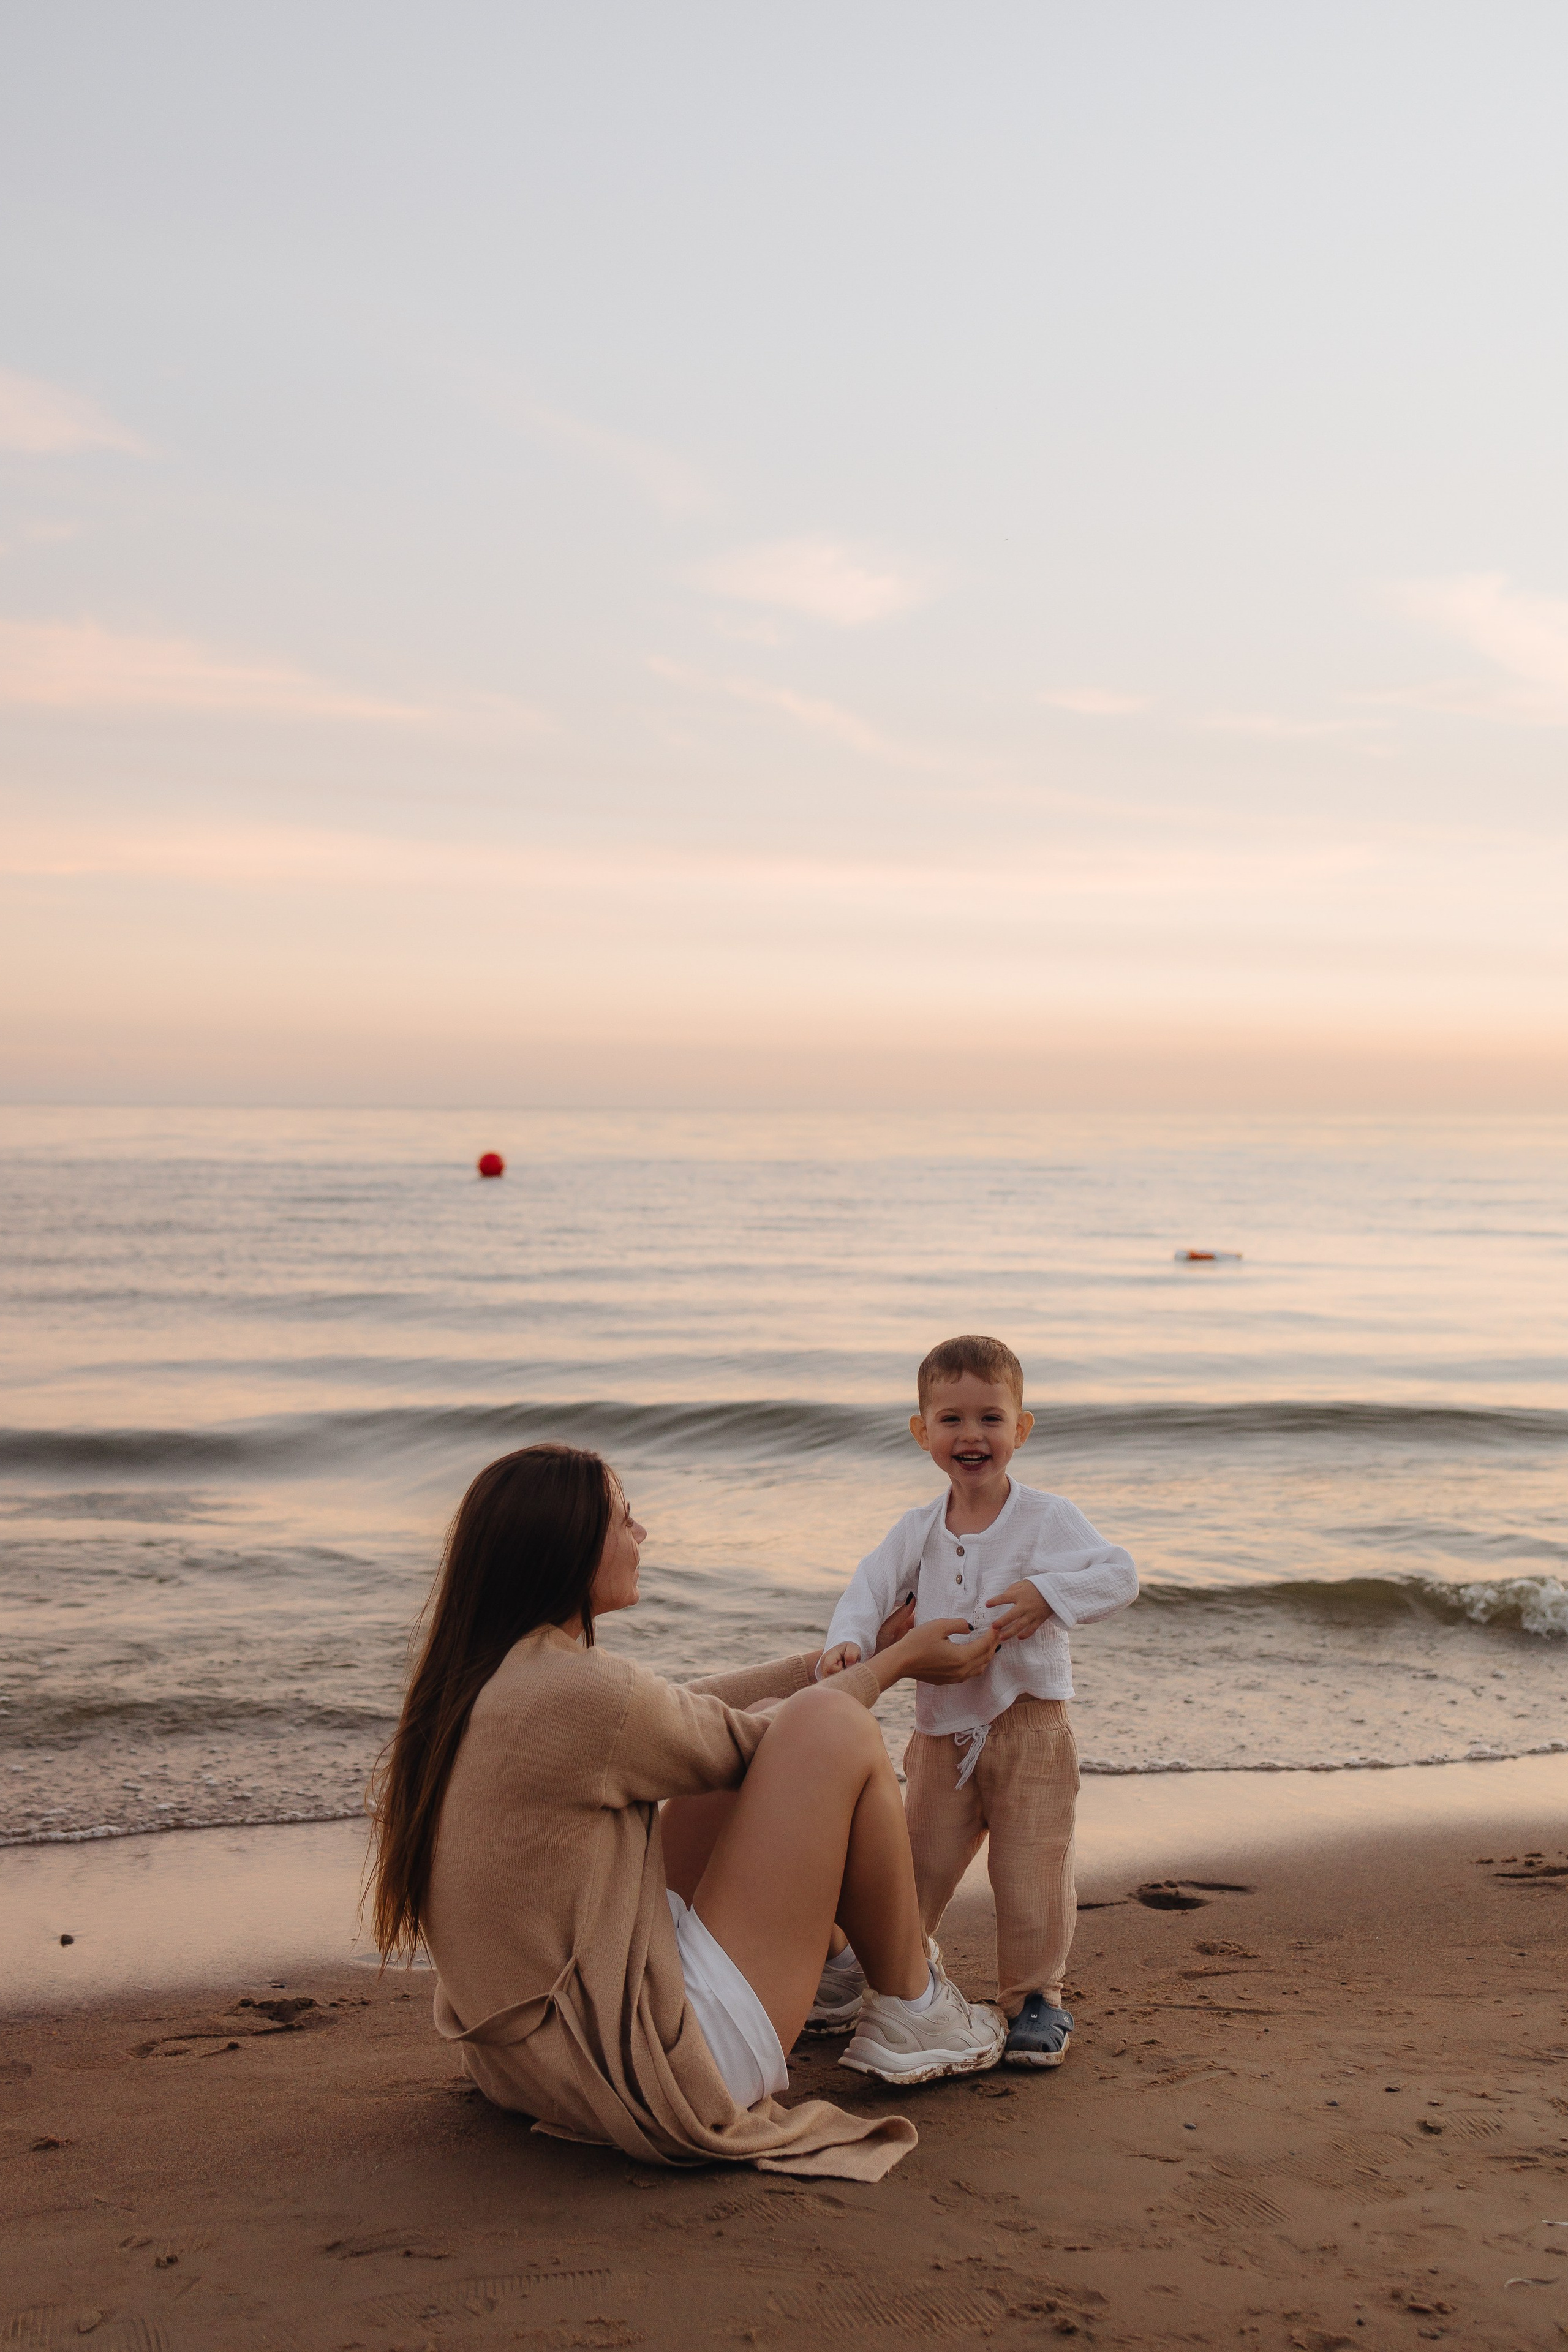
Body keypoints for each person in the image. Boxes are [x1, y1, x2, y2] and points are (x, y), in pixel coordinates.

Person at [368, 1441, 1008, 2180]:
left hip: (536, 2063)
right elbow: (779, 1741)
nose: (642, 1536)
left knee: (779, 1720)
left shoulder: (491, 1679)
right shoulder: (578, 1696)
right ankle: (914, 2006)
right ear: (568, 1547)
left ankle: (835, 1978)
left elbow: (679, 1717)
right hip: (652, 2066)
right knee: (831, 1731)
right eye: (625, 1520)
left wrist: (830, 1662)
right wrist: (892, 1668)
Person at [816, 1335, 1137, 2069]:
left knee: (1031, 1871)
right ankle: (895, 1979)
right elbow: (868, 1589)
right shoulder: (917, 1528)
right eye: (952, 1419)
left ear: (1020, 1430)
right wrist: (851, 1643)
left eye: (991, 1419)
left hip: (1031, 1728)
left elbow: (1118, 1576)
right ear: (921, 1431)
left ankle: (1032, 1999)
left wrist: (1047, 1593)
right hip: (939, 1735)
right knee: (909, 1868)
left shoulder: (1046, 1519)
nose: (971, 1436)